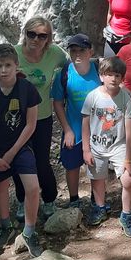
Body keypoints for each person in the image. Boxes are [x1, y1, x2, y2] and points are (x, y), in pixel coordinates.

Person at [0, 44, 44, 256]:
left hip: (21, 146)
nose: (4, 70)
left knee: (32, 187)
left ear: (16, 65)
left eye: (8, 65)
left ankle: (29, 231)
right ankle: (5, 225)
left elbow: (31, 124)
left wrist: (12, 152)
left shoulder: (27, 89)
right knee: (1, 186)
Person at [14, 16, 67, 219]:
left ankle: (49, 199)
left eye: (42, 36)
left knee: (42, 161)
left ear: (48, 39)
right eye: (32, 34)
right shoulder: (14, 53)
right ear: (25, 34)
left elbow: (71, 64)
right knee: (19, 160)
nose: (36, 39)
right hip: (17, 118)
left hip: (42, 117)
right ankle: (22, 200)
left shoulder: (54, 53)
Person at [82, 57, 131, 237]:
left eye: (117, 75)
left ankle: (126, 215)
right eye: (109, 74)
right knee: (97, 178)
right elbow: (85, 123)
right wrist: (86, 149)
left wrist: (128, 158)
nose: (113, 79)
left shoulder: (125, 98)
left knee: (129, 179)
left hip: (118, 145)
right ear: (101, 76)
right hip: (96, 145)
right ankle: (100, 207)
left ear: (122, 78)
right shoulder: (93, 96)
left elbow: (129, 130)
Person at [51, 34, 101, 207]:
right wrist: (67, 130)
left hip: (97, 129)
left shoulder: (99, 70)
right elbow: (58, 103)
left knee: (95, 164)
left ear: (90, 52)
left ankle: (97, 199)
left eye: (82, 50)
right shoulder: (64, 74)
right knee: (71, 165)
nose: (77, 54)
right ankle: (74, 200)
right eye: (73, 51)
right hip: (74, 127)